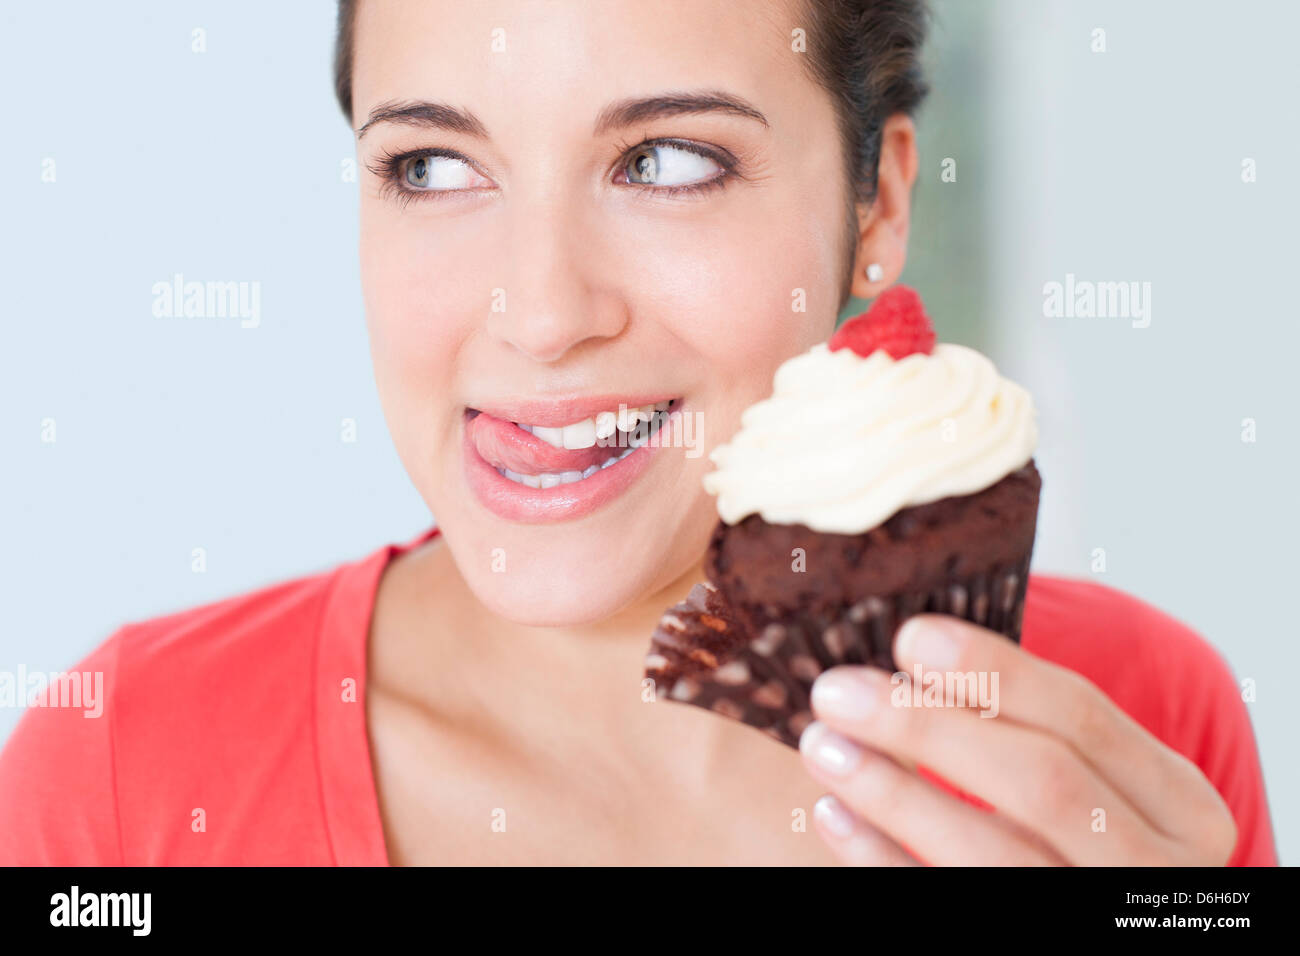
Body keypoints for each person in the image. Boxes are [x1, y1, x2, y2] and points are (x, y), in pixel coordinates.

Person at [0, 0, 1275, 866]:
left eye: (667, 160)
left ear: (877, 202)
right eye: (432, 167)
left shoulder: (1130, 720)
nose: (543, 314)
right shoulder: (118, 770)